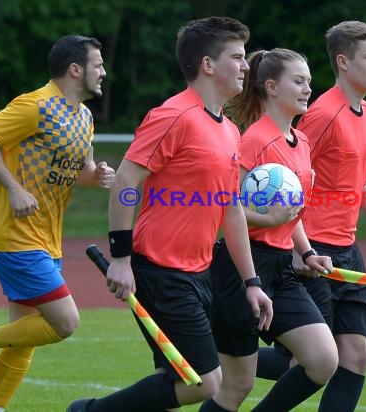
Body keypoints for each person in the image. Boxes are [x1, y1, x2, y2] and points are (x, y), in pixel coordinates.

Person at [67, 17, 273, 412]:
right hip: (160, 271)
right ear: (208, 65)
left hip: (201, 271)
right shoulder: (173, 115)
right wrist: (122, 258)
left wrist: (252, 281)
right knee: (204, 382)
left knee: (177, 377)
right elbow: (127, 179)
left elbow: (230, 209)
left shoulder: (230, 130)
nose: (247, 66)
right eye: (237, 57)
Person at [256, 21, 366, 411]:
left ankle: (226, 355)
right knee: (314, 358)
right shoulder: (322, 113)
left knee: (357, 355)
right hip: (313, 249)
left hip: (347, 246)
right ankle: (222, 355)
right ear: (343, 61)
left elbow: (352, 176)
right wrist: (295, 246)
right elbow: (289, 177)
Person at [0, 35, 114, 412]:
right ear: (75, 69)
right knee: (65, 322)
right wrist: (13, 188)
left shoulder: (83, 117)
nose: (104, 72)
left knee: (25, 338)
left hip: (46, 240)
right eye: (98, 65)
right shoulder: (35, 105)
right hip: (14, 236)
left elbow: (79, 170)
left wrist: (95, 175)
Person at [200, 48, 338, 412]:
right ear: (272, 87)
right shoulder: (254, 140)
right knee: (236, 386)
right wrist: (270, 221)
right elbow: (226, 211)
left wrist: (306, 252)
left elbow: (289, 213)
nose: (308, 88)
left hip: (282, 268)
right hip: (240, 266)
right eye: (299, 81)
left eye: (309, 81)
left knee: (324, 359)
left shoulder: (302, 140)